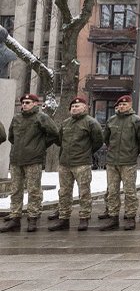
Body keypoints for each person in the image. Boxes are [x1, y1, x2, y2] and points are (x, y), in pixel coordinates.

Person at [0, 94, 58, 233]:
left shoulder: (41, 117)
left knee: (33, 190)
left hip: (33, 159)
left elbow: (54, 133)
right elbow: (11, 136)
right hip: (16, 159)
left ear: (35, 104)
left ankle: (33, 217)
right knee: (15, 190)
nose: (24, 105)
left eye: (27, 102)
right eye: (23, 103)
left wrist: (40, 146)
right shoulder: (17, 118)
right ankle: (15, 217)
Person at [49, 96, 104, 232]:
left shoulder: (91, 123)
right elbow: (59, 139)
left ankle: (84, 217)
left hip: (82, 163)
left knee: (84, 192)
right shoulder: (66, 123)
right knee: (64, 192)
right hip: (65, 163)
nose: (74, 108)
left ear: (85, 108)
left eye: (78, 106)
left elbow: (98, 141)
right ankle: (63, 218)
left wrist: (86, 152)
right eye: (73, 106)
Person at [100, 95, 140, 231]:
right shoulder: (111, 120)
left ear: (130, 105)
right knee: (112, 191)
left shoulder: (136, 121)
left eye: (125, 104)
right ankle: (113, 217)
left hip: (128, 162)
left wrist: (134, 151)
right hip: (112, 162)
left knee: (129, 191)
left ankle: (130, 217)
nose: (122, 107)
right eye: (120, 105)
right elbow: (106, 138)